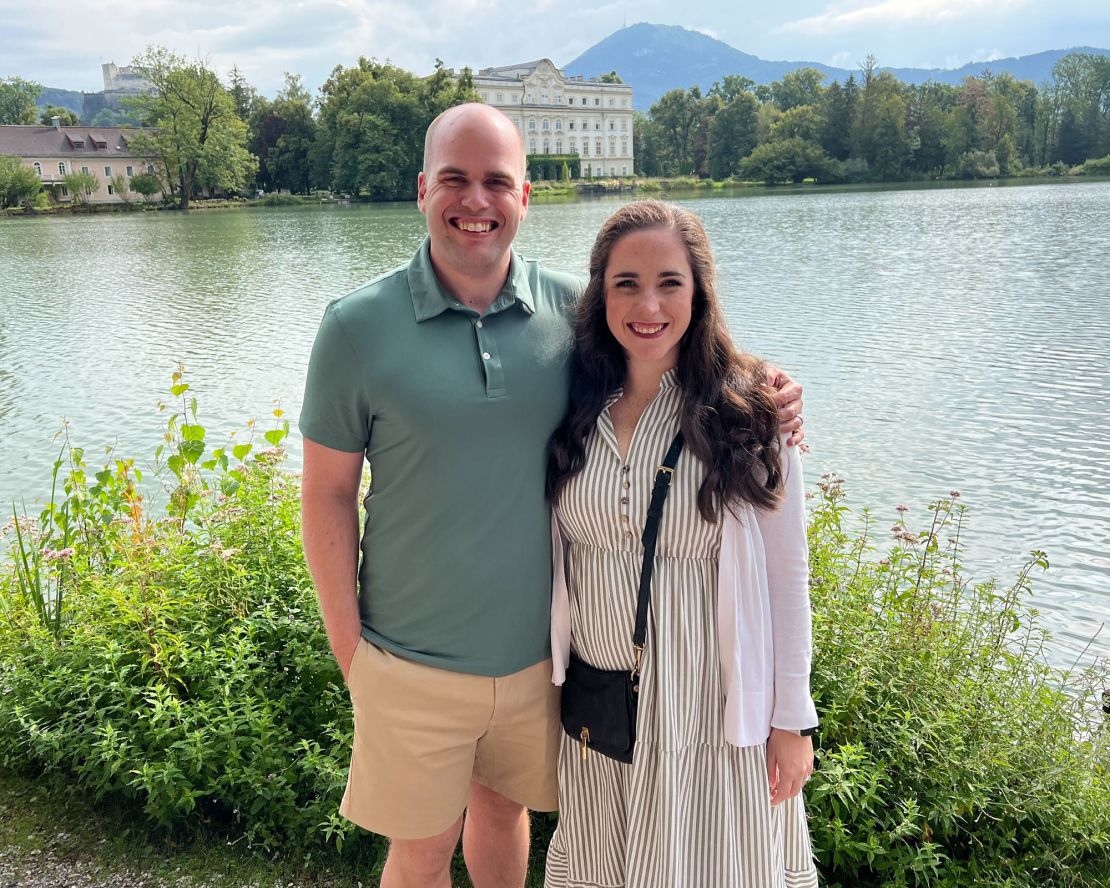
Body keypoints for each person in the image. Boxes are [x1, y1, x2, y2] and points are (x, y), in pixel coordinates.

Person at [299, 104, 805, 888]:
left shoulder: (574, 317)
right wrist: (352, 655)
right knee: (421, 854)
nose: (477, 202)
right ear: (422, 188)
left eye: (497, 181)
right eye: (456, 180)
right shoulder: (356, 328)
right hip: (408, 658)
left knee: (505, 822)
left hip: (543, 663)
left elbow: (668, 330)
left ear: (525, 196)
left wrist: (765, 385)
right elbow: (328, 494)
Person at [545, 200, 819, 888]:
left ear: (699, 293)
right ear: (598, 293)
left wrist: (792, 720)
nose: (649, 304)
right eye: (626, 283)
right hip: (602, 703)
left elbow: (789, 577)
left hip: (711, 706)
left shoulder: (748, 412)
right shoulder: (573, 405)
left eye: (670, 282)